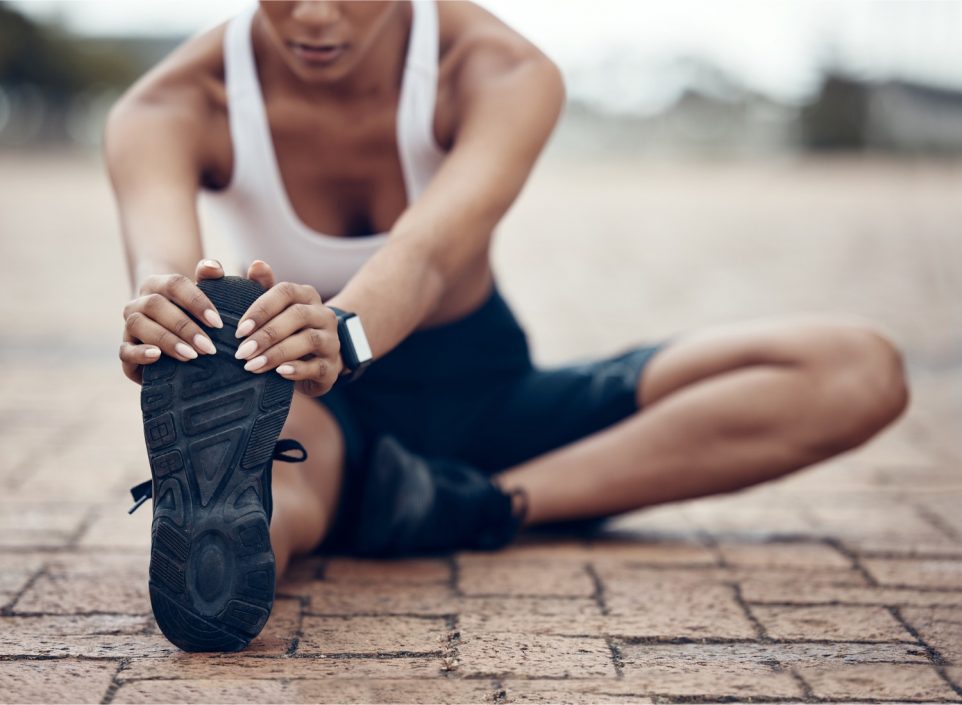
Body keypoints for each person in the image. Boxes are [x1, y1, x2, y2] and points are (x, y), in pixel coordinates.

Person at [106, 1, 909, 651]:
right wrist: (166, 318)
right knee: (276, 477)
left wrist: (343, 329)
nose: (317, 16)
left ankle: (482, 502)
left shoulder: (502, 71)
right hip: (312, 404)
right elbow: (166, 264)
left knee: (854, 368)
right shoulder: (167, 105)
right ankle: (224, 559)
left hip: (484, 392)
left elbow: (425, 252)